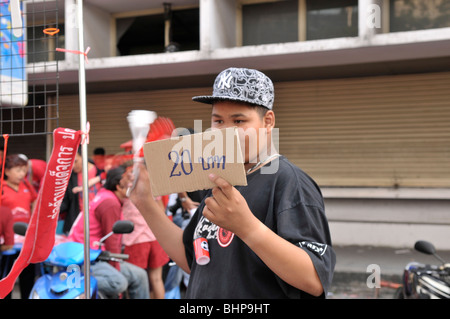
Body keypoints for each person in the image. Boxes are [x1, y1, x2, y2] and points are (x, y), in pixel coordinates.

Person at [129, 67, 336, 298]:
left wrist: (247, 227)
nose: (226, 131)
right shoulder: (221, 180)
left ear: (268, 121)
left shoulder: (289, 182)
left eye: (238, 121)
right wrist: (144, 203)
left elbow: (315, 278)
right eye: (218, 121)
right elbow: (193, 260)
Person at [68, 165, 149, 299]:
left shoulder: (106, 196)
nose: (132, 186)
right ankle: (74, 284)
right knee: (118, 282)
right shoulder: (109, 203)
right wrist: (115, 269)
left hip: (93, 254)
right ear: (118, 186)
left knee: (140, 275)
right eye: (129, 183)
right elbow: (112, 241)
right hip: (89, 258)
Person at [0, 154, 38, 298]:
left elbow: (35, 200)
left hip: (25, 239)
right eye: (17, 170)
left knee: (27, 275)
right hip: (8, 241)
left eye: (23, 170)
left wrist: (33, 218)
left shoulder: (26, 185)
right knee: (6, 275)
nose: (21, 174)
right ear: (7, 171)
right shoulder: (1, 187)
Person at [122, 196, 169, 299]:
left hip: (135, 239)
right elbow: (161, 210)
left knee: (135, 281)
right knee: (156, 279)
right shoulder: (152, 184)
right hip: (155, 236)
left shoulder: (126, 186)